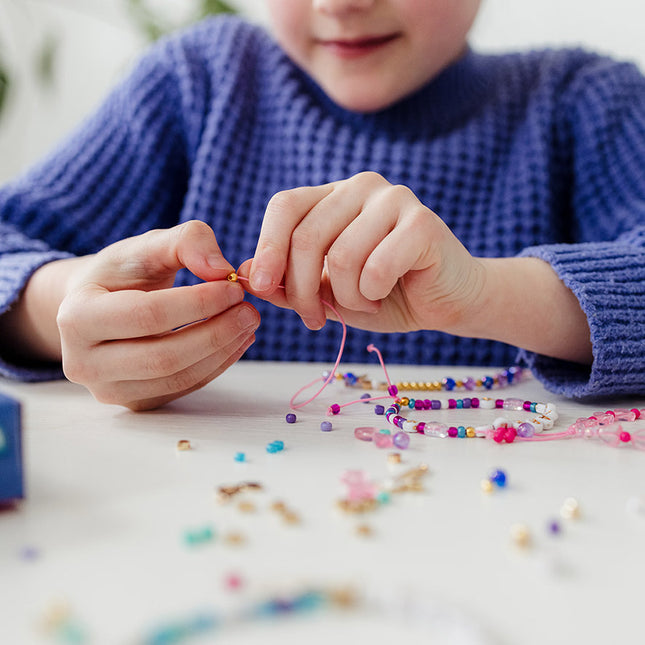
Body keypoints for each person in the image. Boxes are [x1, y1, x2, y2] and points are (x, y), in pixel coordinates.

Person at [0, 0, 644, 411]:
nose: (342, 4)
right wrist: (65, 306)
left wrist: (483, 293)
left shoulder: (587, 104)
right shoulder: (196, 84)